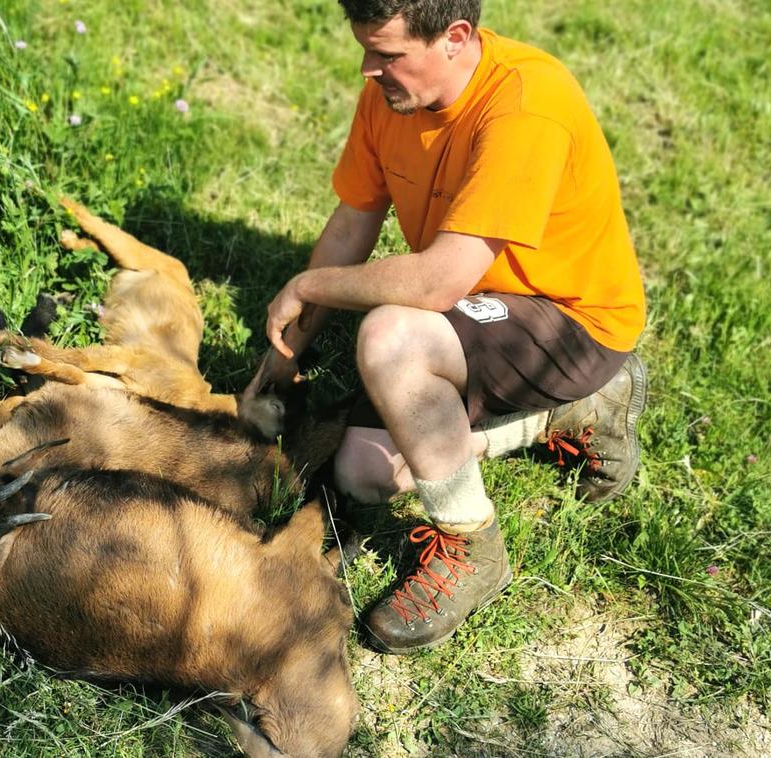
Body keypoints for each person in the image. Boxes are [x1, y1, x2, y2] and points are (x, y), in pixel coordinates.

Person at [246, 0, 647, 654]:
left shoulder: (525, 107)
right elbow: (353, 222)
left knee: (390, 338)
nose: (368, 69)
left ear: (457, 37)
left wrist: (307, 286)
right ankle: (567, 415)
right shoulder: (393, 95)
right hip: (476, 311)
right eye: (366, 50)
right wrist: (289, 351)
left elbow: (437, 283)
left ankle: (471, 549)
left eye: (388, 54)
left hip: (571, 322)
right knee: (363, 473)